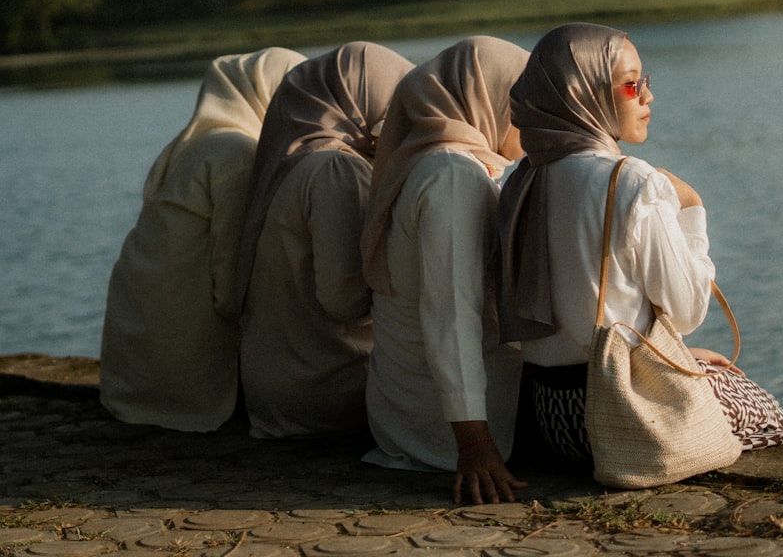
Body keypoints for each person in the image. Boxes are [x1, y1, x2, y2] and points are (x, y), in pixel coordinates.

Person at [499, 22, 783, 463]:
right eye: (630, 85)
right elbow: (687, 312)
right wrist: (692, 211)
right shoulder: (631, 181)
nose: (647, 96)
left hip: (551, 418)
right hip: (622, 413)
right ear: (582, 93)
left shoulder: (523, 181)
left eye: (644, 81)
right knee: (764, 414)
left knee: (706, 371)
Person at [360, 36, 529, 505]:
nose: (532, 119)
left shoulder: (437, 163)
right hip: (442, 429)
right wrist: (474, 445)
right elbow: (451, 317)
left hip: (411, 413)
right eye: (522, 103)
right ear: (489, 99)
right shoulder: (451, 177)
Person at [100, 47, 307, 432]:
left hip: (138, 366)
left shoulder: (198, 143)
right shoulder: (237, 153)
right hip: (184, 379)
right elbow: (231, 286)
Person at [235, 42, 415, 439]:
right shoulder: (335, 168)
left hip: (278, 389)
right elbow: (345, 300)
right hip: (326, 388)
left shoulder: (291, 160)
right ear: (362, 98)